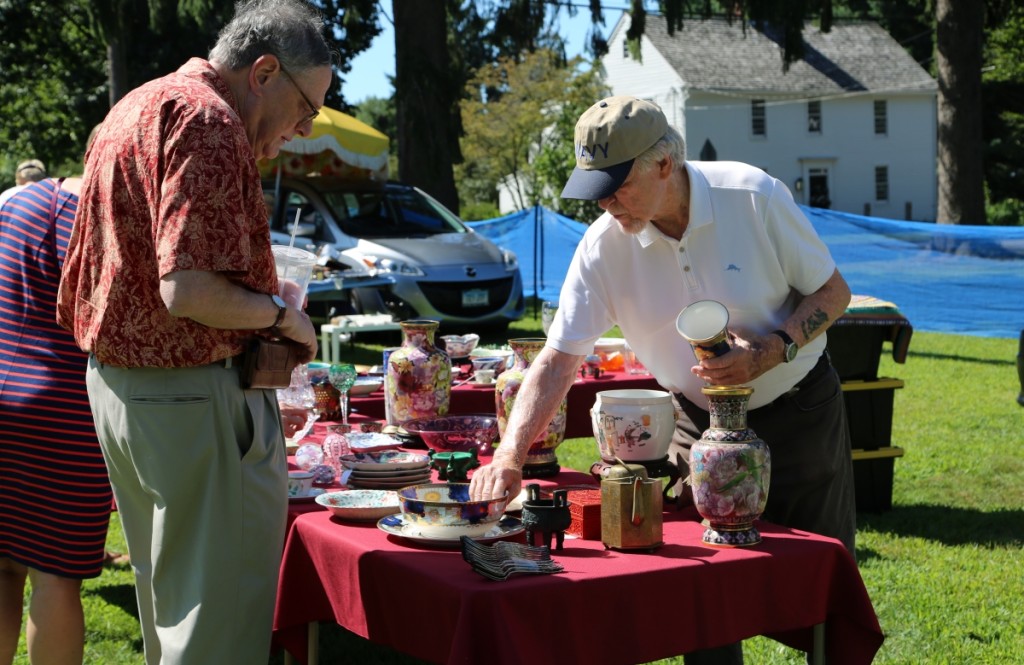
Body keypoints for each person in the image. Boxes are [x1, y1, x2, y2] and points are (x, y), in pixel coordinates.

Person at [469, 96, 856, 664]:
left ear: (664, 164)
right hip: (695, 428)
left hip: (799, 412)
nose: (604, 202)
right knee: (700, 598)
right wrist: (509, 455)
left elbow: (834, 293)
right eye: (594, 187)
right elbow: (556, 359)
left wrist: (771, 351)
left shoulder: (752, 196)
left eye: (616, 185)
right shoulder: (603, 246)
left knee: (822, 592)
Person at [56, 0, 327, 662]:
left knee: (174, 621)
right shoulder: (208, 120)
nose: (304, 127)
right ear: (264, 72)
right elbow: (189, 290)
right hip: (194, 400)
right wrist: (284, 316)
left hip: (125, 394)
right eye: (307, 106)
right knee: (216, 635)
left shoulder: (136, 106)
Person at [0, 175, 113, 665]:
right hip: (66, 414)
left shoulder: (21, 201)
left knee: (2, 570)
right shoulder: (108, 222)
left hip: (4, 391)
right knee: (56, 578)